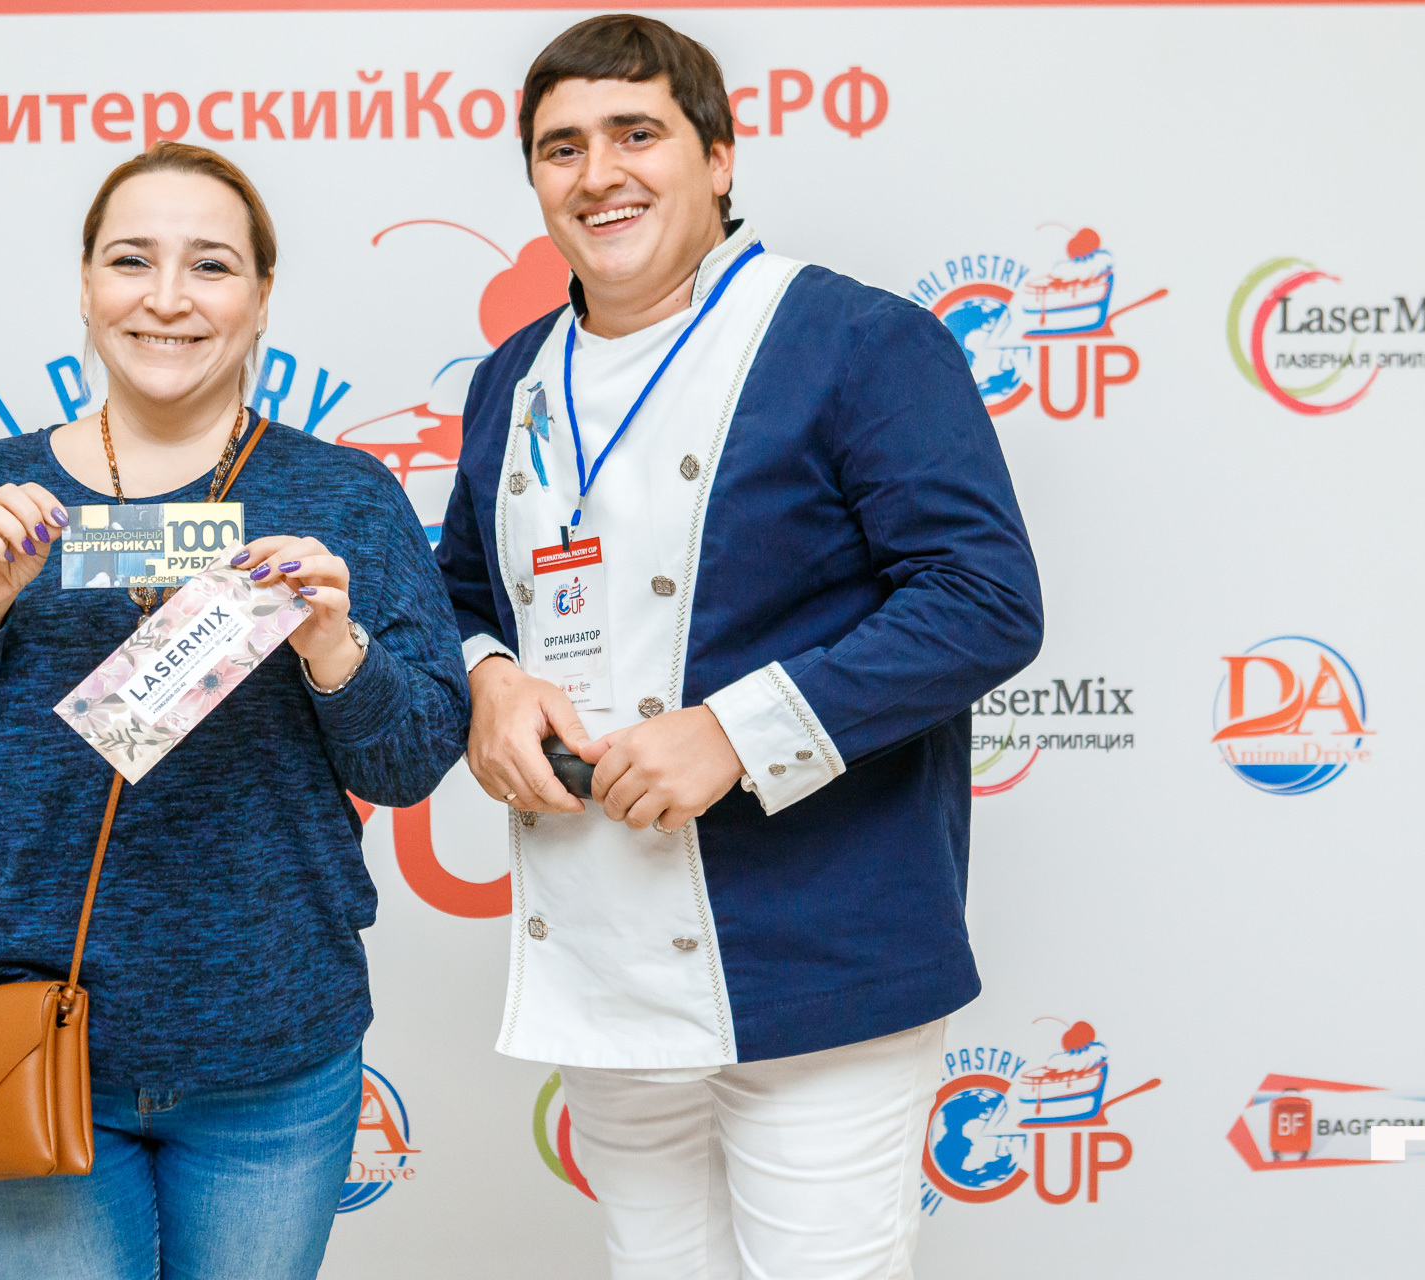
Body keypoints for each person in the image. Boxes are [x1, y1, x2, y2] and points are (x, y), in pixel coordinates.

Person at [434, 15, 1043, 1279]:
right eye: (560, 148)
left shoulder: (855, 340)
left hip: (819, 944)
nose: (597, 173)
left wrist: (735, 731)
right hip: (602, 941)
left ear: (719, 156)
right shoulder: (511, 380)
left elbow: (982, 596)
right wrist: (488, 674)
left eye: (636, 134)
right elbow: (458, 593)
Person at [0, 142, 469, 1280]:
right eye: (132, 260)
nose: (168, 298)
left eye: (211, 265)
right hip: (27, 1035)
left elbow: (413, 757)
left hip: (273, 1050)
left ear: (262, 297)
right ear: (86, 286)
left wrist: (335, 649)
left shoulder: (343, 496)